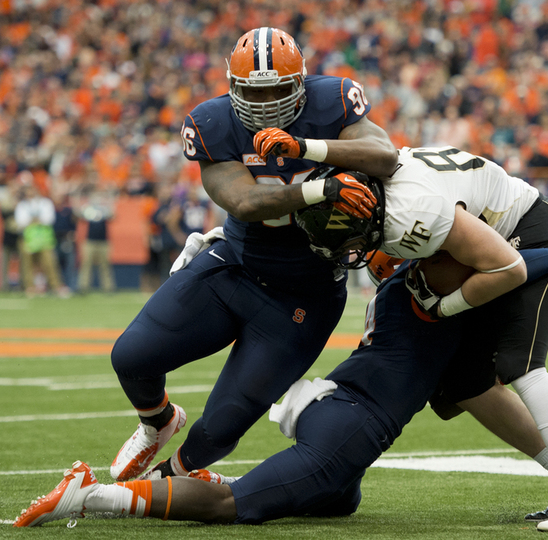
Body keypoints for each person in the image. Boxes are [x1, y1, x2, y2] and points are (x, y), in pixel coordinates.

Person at [14, 211, 548, 529]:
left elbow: (456, 390)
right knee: (234, 507)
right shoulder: (424, 282)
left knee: (341, 501)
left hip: (337, 403)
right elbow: (505, 269)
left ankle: (212, 468)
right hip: (348, 425)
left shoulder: (399, 286)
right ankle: (92, 498)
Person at [108, 27, 398, 484]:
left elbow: (385, 155)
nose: (266, 104)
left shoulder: (333, 99)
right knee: (131, 357)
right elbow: (243, 202)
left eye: (279, 89)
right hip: (236, 265)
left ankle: (165, 481)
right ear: (231, 86)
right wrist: (322, 186)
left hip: (304, 295)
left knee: (223, 424)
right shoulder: (212, 122)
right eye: (251, 91)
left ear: (301, 82)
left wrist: (308, 148)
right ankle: (158, 421)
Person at [294, 148, 548, 532]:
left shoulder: (411, 214)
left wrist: (445, 307)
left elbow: (506, 266)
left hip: (525, 231)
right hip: (496, 239)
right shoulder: (390, 188)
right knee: (463, 384)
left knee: (521, 364)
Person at [14, 180, 71, 298]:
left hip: (45, 240)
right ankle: (30, 287)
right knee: (27, 265)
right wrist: (36, 220)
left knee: (50, 263)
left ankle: (56, 286)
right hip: (28, 239)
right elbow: (20, 222)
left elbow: (48, 219)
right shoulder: (22, 205)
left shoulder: (45, 203)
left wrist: (32, 221)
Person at [76, 185, 116, 294]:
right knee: (86, 265)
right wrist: (76, 197)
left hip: (104, 241)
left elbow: (113, 215)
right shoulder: (88, 208)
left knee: (105, 265)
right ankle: (83, 287)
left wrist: (111, 199)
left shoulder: (104, 209)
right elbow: (78, 213)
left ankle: (108, 288)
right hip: (90, 241)